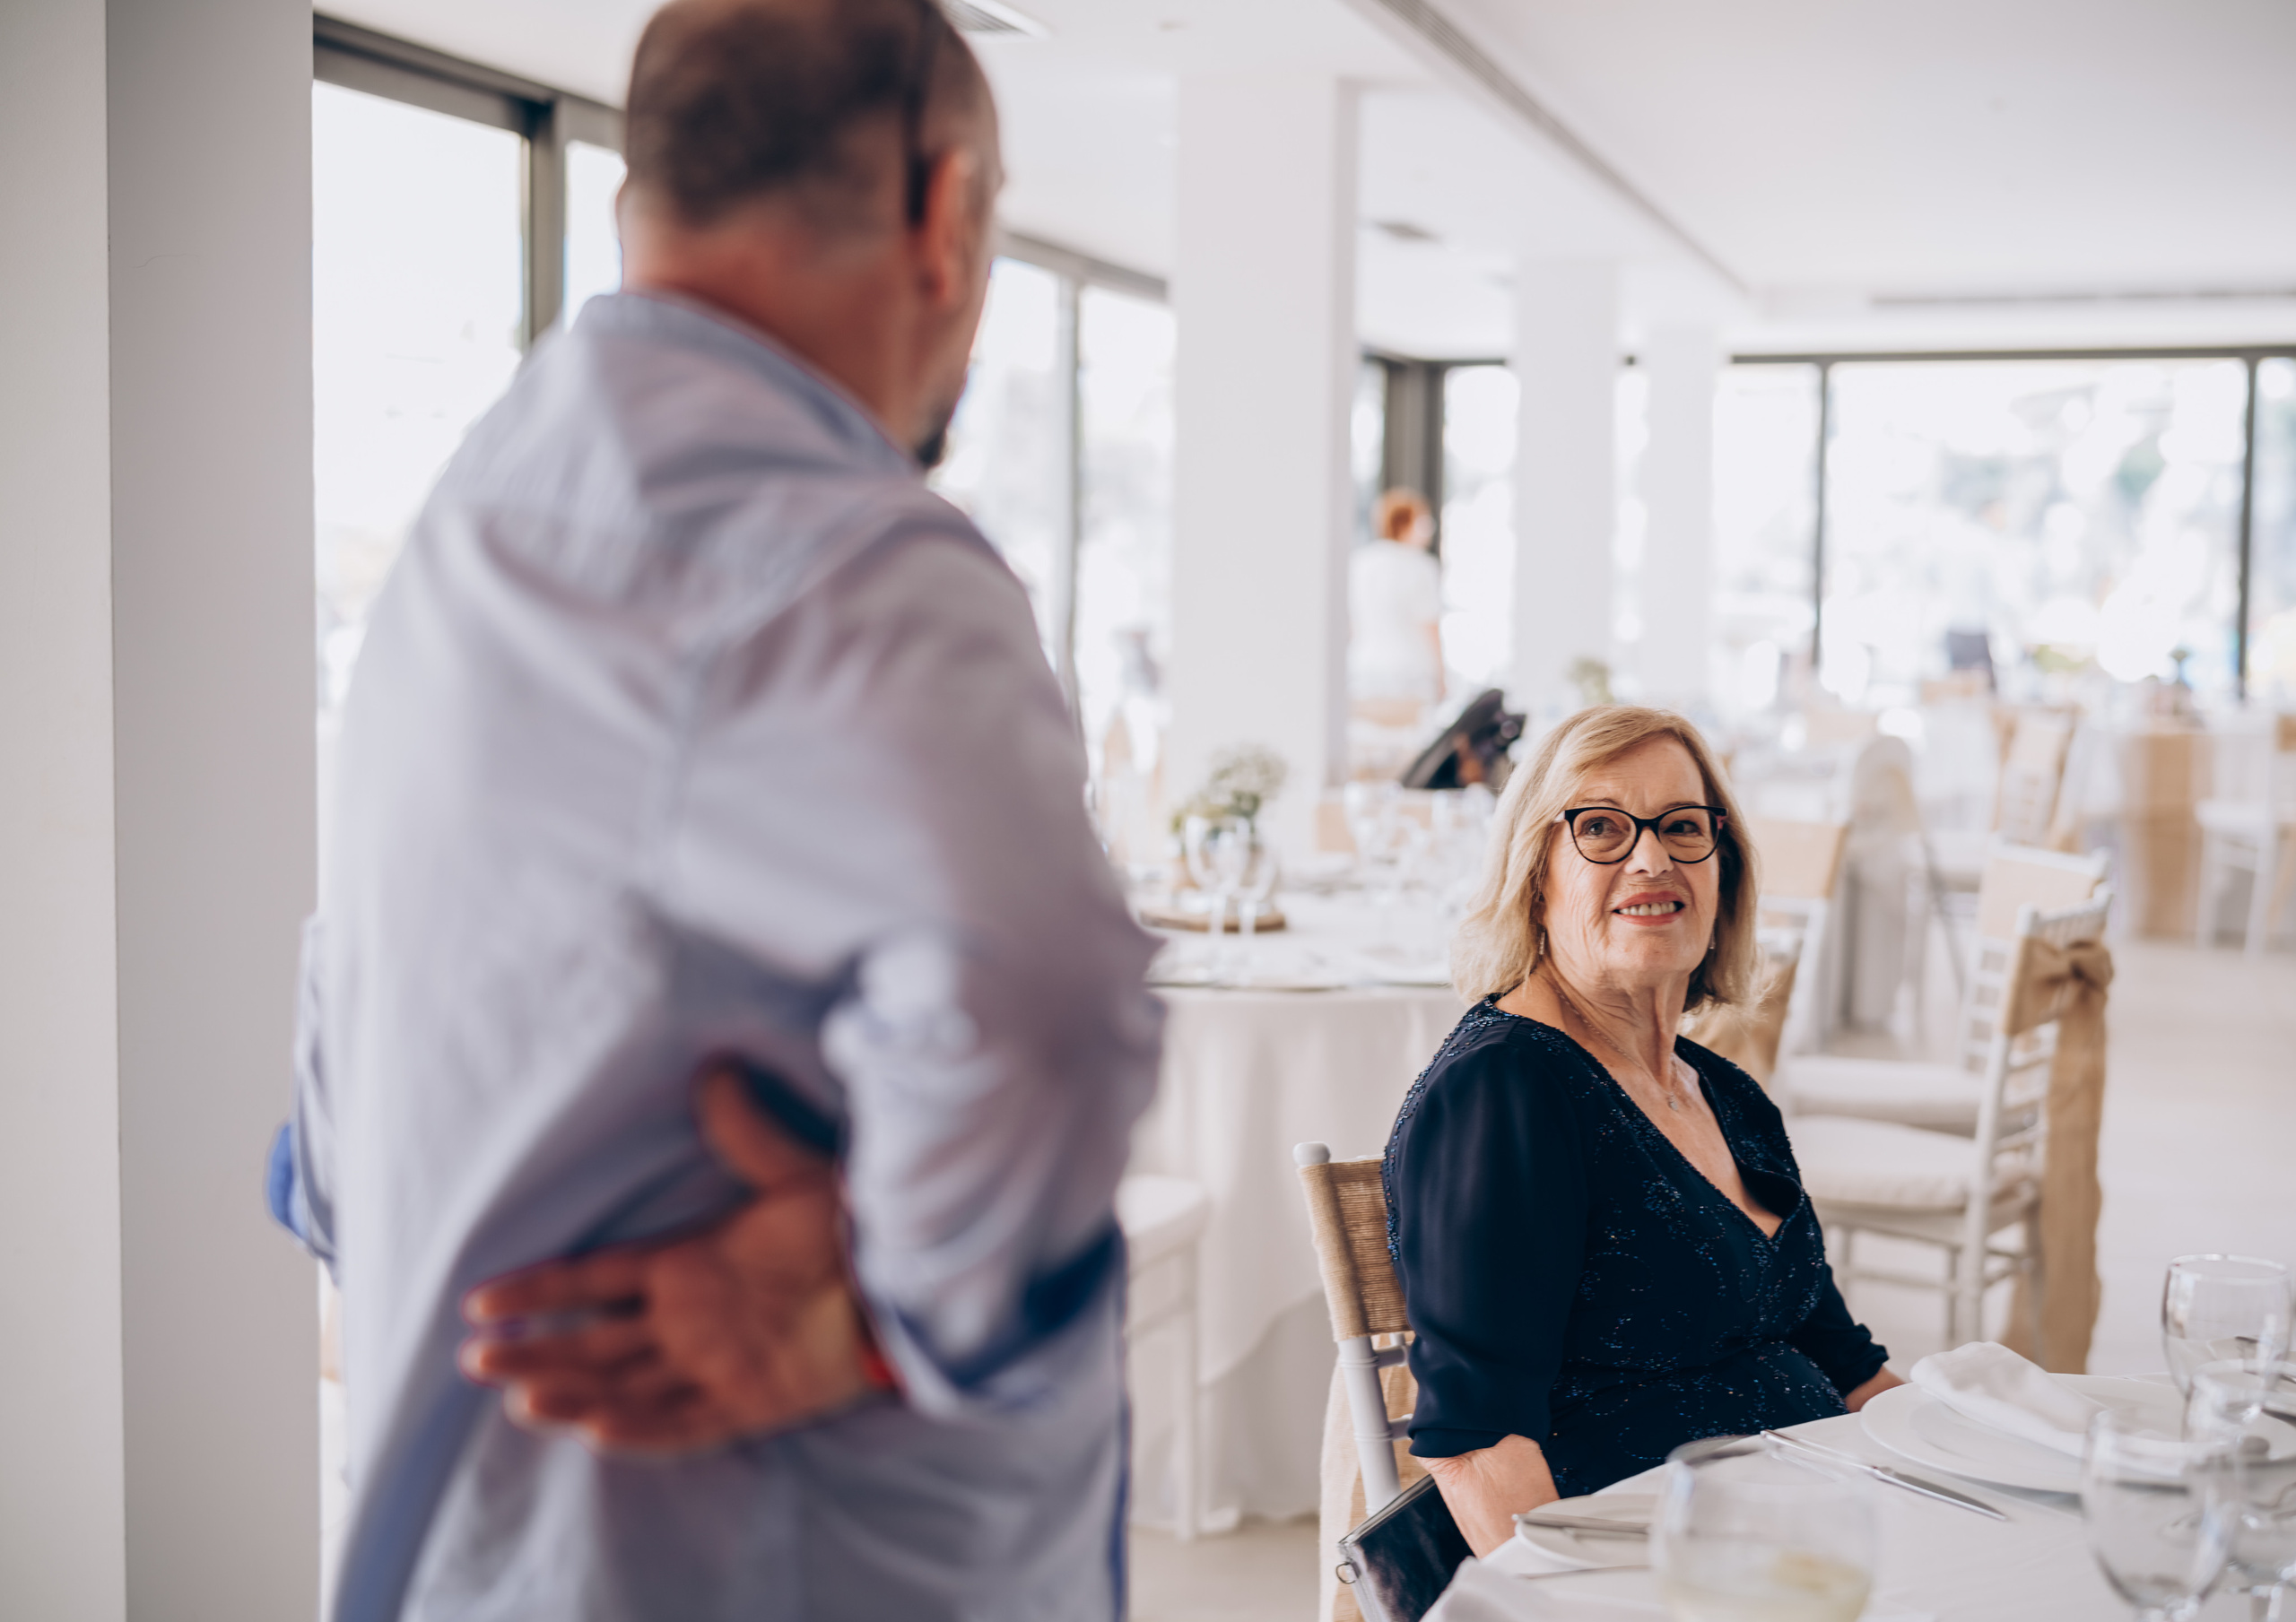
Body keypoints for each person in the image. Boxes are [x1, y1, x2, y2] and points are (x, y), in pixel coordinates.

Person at [265, 2, 1162, 1617]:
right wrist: (887, 1312)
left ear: (635, 201)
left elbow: (337, 1133)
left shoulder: (460, 544)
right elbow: (1045, 1010)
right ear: (945, 211)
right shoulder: (848, 567)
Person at [1382, 706, 1901, 1555]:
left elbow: (1848, 1366)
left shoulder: (1726, 1093)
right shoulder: (1504, 1091)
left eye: (1683, 826)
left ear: (1723, 869)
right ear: (1535, 874)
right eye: (1600, 827)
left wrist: (1975, 1475)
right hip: (1638, 1572)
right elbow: (1478, 1446)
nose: (1651, 858)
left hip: (1810, 1542)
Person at [1348, 487, 1445, 709]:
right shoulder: (1421, 566)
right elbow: (1429, 625)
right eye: (1423, 521)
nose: (1428, 529)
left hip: (1363, 670)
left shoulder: (1360, 562)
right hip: (1411, 674)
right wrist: (1442, 676)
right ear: (1404, 523)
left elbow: (1353, 623)